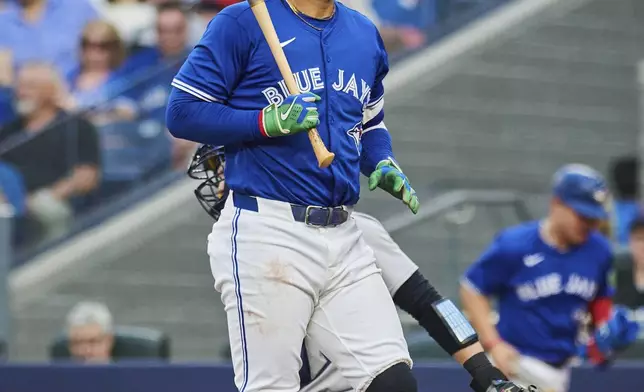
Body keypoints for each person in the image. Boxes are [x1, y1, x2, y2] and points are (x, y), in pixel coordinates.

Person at [166, 1, 422, 390]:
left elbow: (370, 123)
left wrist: (382, 161)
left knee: (393, 383)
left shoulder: (363, 32)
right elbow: (182, 111)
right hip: (268, 229)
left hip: (343, 234)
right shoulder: (242, 20)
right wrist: (264, 121)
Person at [187, 144, 535, 392]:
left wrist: (485, 371)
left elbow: (430, 302)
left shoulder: (353, 230)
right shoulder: (233, 245)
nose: (219, 182)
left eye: (225, 167)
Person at [460, 163, 640, 392]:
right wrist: (493, 343)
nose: (589, 225)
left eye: (594, 218)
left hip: (565, 369)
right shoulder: (515, 244)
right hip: (517, 365)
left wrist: (607, 333)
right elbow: (472, 289)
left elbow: (599, 303)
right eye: (582, 216)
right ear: (557, 204)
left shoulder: (599, 251)